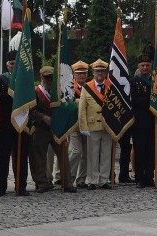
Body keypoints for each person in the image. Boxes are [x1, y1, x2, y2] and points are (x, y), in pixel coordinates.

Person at [29, 66, 76, 194]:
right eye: (47, 78)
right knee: (40, 157)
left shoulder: (59, 91)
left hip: (57, 128)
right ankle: (42, 183)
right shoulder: (35, 92)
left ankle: (67, 183)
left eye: (51, 78)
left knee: (63, 155)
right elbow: (30, 110)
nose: (49, 80)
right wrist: (42, 117)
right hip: (40, 128)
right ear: (41, 78)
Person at [0, 53, 31, 196]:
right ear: (6, 65)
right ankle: (1, 186)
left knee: (21, 157)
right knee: (2, 156)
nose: (13, 66)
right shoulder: (0, 79)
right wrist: (13, 94)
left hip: (22, 122)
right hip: (5, 123)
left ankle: (21, 186)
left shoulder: (26, 80)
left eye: (16, 63)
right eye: (11, 63)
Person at [79, 59, 111, 190]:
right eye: (98, 71)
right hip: (92, 126)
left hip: (108, 126)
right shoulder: (87, 87)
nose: (100, 74)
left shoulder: (111, 86)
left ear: (105, 73)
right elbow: (82, 109)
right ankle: (92, 180)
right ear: (93, 72)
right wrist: (83, 126)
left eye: (102, 71)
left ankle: (104, 180)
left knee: (106, 154)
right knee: (92, 154)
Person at [130, 51, 154, 188]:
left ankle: (149, 177)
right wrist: (150, 99)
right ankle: (140, 178)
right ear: (138, 66)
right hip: (139, 122)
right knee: (140, 151)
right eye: (142, 65)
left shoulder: (155, 81)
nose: (145, 67)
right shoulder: (133, 82)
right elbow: (135, 101)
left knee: (151, 151)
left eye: (147, 65)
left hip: (153, 121)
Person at [67, 61, 89, 188]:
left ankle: (81, 180)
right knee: (76, 151)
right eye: (79, 74)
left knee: (86, 153)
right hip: (74, 125)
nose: (81, 76)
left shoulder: (90, 87)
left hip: (87, 125)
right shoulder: (69, 88)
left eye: (84, 73)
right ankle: (69, 177)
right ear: (74, 75)